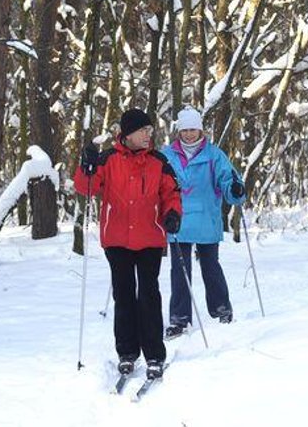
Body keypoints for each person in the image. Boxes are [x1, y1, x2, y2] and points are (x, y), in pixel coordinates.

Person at [74, 108, 183, 380]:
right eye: (143, 130)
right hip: (117, 239)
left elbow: (172, 193)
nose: (149, 134)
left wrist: (172, 214)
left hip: (149, 238)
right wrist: (85, 164)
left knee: (149, 295)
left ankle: (154, 354)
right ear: (128, 134)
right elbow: (86, 187)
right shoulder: (108, 159)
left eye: (149, 130)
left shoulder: (159, 161)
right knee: (123, 296)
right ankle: (127, 353)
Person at [160, 107, 245, 339]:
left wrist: (235, 189)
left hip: (206, 217)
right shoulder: (167, 155)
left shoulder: (214, 155)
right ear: (179, 130)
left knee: (210, 266)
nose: (189, 135)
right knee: (180, 270)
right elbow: (158, 183)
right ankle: (179, 318)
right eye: (185, 130)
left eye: (193, 130)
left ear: (200, 130)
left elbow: (228, 179)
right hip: (178, 220)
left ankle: (221, 309)